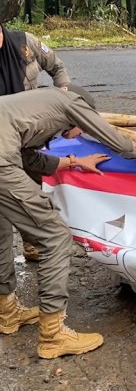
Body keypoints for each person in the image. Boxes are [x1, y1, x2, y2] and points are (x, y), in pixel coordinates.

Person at [0, 87, 136, 358]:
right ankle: (53, 336)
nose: (79, 135)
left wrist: (74, 161)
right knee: (55, 236)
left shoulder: (33, 106)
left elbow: (29, 158)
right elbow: (107, 133)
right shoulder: (71, 101)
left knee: (2, 230)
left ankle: (7, 312)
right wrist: (132, 151)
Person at [0, 23, 71, 261]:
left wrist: (63, 97)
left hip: (28, 137)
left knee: (33, 191)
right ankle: (6, 293)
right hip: (3, 144)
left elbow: (56, 66)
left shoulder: (25, 44)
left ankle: (33, 244)